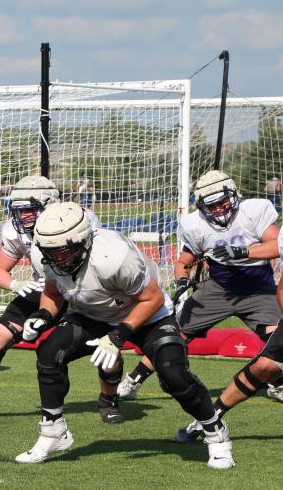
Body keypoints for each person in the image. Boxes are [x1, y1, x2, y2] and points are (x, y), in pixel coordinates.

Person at [15, 201, 233, 469]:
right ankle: (54, 432)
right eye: (51, 252)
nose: (58, 258)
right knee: (49, 352)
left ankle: (215, 431)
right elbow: (53, 291)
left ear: (83, 240)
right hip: (93, 315)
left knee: (173, 374)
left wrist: (118, 336)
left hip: (147, 314)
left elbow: (151, 299)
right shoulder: (45, 254)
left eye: (64, 251)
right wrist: (43, 316)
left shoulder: (113, 255)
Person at [0, 175, 121, 422]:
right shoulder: (14, 230)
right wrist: (16, 283)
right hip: (47, 288)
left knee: (106, 347)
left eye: (29, 209)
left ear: (48, 204)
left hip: (83, 289)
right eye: (19, 210)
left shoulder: (79, 218)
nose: (23, 216)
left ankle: (108, 400)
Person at [117, 170, 282, 402]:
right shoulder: (196, 225)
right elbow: (184, 262)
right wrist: (182, 281)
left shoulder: (253, 212)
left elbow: (278, 245)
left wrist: (244, 251)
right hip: (218, 288)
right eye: (211, 206)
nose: (218, 210)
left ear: (234, 195)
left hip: (258, 287)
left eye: (222, 202)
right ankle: (134, 379)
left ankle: (277, 382)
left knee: (276, 338)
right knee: (174, 334)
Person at [174, 228, 283, 444]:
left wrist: (243, 251)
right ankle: (212, 418)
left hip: (256, 292)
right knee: (263, 367)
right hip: (223, 290)